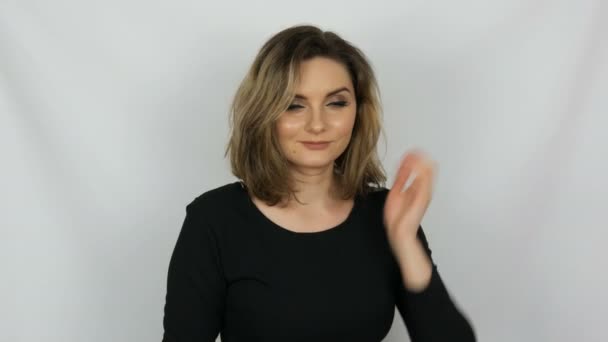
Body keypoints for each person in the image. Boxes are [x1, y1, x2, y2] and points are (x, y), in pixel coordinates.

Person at [162, 24, 476, 342]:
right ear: (263, 113)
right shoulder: (214, 220)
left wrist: (405, 239)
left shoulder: (387, 214)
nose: (317, 124)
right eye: (294, 105)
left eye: (336, 103)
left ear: (358, 111)